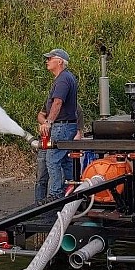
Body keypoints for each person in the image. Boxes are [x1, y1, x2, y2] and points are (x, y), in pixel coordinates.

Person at [37, 48, 79, 199]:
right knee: (66, 161)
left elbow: (58, 102)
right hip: (67, 125)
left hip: (62, 126)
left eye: (50, 58)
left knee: (52, 160)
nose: (47, 61)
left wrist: (48, 122)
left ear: (60, 61)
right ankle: (73, 189)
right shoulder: (67, 77)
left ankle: (56, 194)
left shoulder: (62, 79)